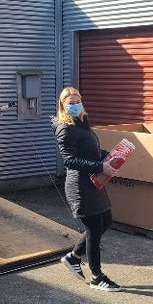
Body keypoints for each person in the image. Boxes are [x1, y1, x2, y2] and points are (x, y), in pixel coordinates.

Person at [51, 86, 121, 292]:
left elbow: (91, 151)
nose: (74, 105)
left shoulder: (81, 123)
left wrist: (109, 157)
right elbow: (70, 160)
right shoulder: (65, 128)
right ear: (62, 106)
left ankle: (73, 257)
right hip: (79, 185)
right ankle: (97, 276)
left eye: (77, 101)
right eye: (70, 103)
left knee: (106, 220)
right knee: (93, 229)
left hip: (93, 183)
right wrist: (101, 167)